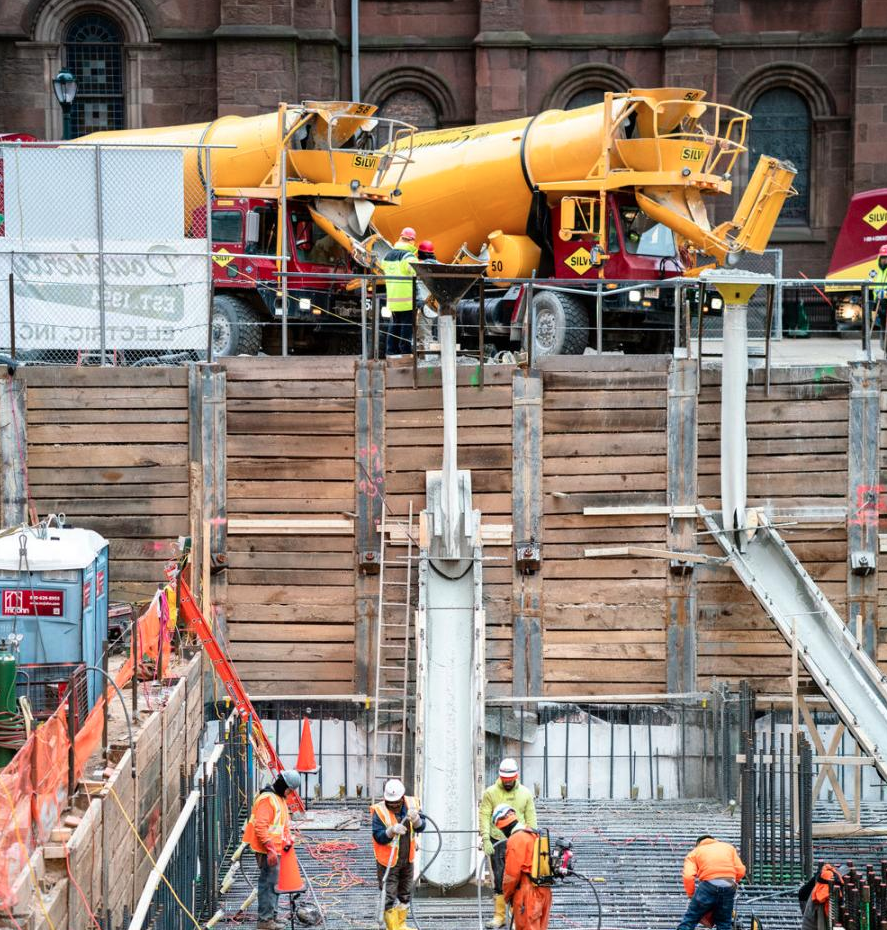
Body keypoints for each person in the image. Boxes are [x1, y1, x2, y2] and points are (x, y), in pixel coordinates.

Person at [479, 758, 538, 928]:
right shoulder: (490, 793)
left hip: (519, 841)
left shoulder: (525, 793)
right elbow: (484, 815)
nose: (507, 783)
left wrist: (534, 841)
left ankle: (516, 914)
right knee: (499, 879)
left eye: (510, 780)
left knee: (518, 879)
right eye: (504, 780)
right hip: (497, 841)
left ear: (516, 776)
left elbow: (531, 818)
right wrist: (485, 838)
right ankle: (500, 916)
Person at [241, 769, 300, 930]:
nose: (289, 793)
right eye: (289, 790)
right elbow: (261, 827)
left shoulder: (279, 798)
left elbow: (281, 826)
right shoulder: (267, 799)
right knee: (268, 885)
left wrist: (288, 841)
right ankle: (265, 921)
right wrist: (271, 849)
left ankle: (271, 918)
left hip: (276, 849)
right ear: (283, 785)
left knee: (274, 884)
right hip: (268, 851)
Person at [370, 778, 427, 930]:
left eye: (396, 802)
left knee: (405, 893)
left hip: (407, 859)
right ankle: (392, 927)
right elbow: (378, 836)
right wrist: (391, 831)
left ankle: (401, 925)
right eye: (391, 802)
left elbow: (422, 828)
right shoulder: (380, 811)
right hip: (388, 862)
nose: (394, 805)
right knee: (388, 895)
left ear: (402, 797)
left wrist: (416, 820)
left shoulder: (412, 804)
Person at [494, 804, 552, 930]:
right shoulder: (533, 833)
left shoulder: (515, 839)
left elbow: (511, 874)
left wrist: (507, 895)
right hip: (544, 891)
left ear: (501, 825)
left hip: (528, 894)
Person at [677, 835, 746, 930]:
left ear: (698, 845)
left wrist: (692, 895)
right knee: (724, 923)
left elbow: (688, 876)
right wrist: (731, 883)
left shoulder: (695, 852)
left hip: (708, 885)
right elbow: (741, 870)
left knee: (690, 919)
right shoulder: (728, 848)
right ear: (715, 841)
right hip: (729, 885)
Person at [380, 227, 419, 357]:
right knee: (407, 326)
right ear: (412, 241)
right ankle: (405, 351)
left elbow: (383, 268)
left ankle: (391, 350)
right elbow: (415, 271)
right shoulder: (408, 256)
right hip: (407, 299)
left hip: (393, 299)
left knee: (395, 324)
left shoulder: (388, 256)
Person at [415, 239, 440, 352]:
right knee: (440, 331)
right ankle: (441, 356)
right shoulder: (440, 265)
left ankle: (427, 357)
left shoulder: (419, 267)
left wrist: (419, 301)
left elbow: (416, 285)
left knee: (424, 331)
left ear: (420, 253)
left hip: (426, 304)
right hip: (439, 302)